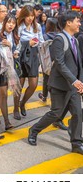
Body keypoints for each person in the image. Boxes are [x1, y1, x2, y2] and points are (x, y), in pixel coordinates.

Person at [28, 11, 83, 155]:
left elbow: (78, 64)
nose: (79, 23)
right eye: (77, 21)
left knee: (77, 113)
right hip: (60, 85)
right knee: (56, 113)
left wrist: (80, 82)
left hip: (73, 86)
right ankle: (34, 130)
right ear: (68, 22)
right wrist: (74, 80)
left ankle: (76, 143)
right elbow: (59, 63)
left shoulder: (74, 40)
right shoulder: (59, 40)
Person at [13, 5, 44, 120]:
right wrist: (27, 44)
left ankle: (22, 103)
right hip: (21, 56)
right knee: (19, 85)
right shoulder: (18, 26)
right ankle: (16, 108)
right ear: (23, 16)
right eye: (27, 16)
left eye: (32, 16)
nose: (30, 18)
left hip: (33, 56)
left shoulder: (38, 27)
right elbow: (16, 43)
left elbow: (41, 42)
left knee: (34, 84)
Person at [38, 17, 68, 130]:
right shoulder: (60, 37)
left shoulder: (45, 36)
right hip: (57, 67)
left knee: (47, 80)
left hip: (48, 65)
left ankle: (44, 96)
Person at [0, 14, 21, 130]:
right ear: (4, 23)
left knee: (2, 96)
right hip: (0, 68)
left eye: (13, 23)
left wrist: (14, 50)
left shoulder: (15, 36)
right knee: (4, 95)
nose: (11, 25)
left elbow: (17, 49)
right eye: (9, 22)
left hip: (10, 68)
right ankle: (7, 122)